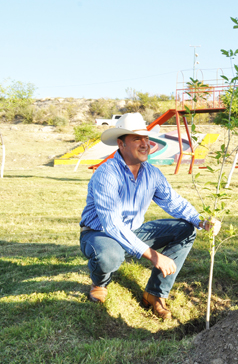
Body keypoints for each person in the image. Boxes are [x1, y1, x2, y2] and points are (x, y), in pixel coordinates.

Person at [79, 113, 221, 319]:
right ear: (121, 144)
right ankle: (99, 283)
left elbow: (173, 202)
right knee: (110, 256)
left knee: (186, 229)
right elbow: (111, 224)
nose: (145, 143)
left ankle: (154, 294)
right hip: (99, 233)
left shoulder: (152, 173)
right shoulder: (106, 173)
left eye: (146, 138)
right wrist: (154, 256)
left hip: (133, 230)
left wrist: (200, 221)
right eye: (137, 139)